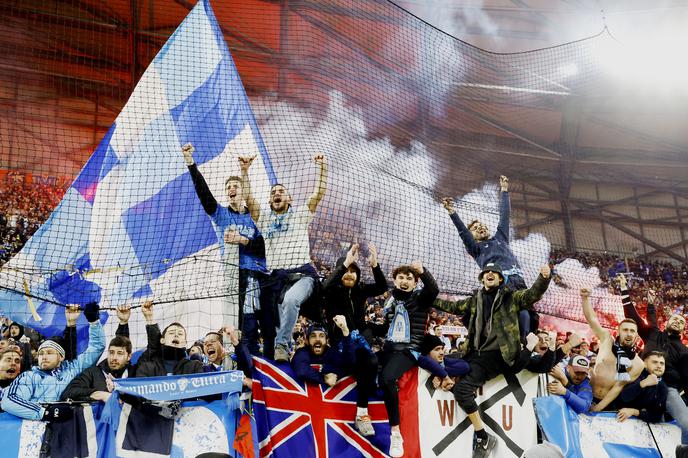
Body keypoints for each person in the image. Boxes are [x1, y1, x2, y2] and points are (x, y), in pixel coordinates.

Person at [436, 263, 551, 458]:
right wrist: (427, 297)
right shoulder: (475, 300)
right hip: (474, 353)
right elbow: (452, 306)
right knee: (441, 363)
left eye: (494, 273)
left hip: (497, 356)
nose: (489, 274)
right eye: (486, 272)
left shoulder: (511, 298)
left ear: (500, 279)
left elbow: (532, 294)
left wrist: (544, 278)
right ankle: (442, 377)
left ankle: (483, 436)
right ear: (482, 279)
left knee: (463, 390)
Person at [182, 144, 267, 354]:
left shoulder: (256, 217)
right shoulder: (221, 216)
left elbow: (265, 248)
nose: (231, 189)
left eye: (235, 186)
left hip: (260, 276)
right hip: (234, 276)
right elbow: (204, 195)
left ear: (243, 191)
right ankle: (241, 363)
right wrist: (190, 163)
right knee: (240, 326)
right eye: (228, 187)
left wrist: (242, 240)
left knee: (265, 324)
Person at [243, 153, 328, 361]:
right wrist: (244, 171)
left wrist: (322, 167)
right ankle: (280, 352)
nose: (276, 194)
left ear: (289, 198)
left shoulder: (300, 216)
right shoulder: (263, 220)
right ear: (270, 200)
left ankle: (282, 347)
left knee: (291, 301)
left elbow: (319, 193)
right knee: (272, 322)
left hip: (302, 276)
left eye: (281, 191)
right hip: (276, 281)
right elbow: (249, 198)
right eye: (273, 192)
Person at [442, 175, 534, 336]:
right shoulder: (476, 248)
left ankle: (523, 342)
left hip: (519, 281)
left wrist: (504, 191)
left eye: (481, 225)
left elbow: (504, 215)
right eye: (476, 228)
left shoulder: (500, 237)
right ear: (474, 236)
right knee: (511, 312)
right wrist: (452, 212)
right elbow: (463, 232)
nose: (480, 227)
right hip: (501, 283)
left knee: (528, 315)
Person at [321, 242, 387, 435]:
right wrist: (345, 262)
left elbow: (382, 286)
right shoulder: (332, 291)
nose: (349, 274)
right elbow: (324, 287)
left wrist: (375, 265)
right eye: (346, 270)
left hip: (360, 342)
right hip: (341, 343)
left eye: (353, 270)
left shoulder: (361, 290)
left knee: (371, 360)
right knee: (367, 363)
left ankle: (362, 414)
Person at [1, 302, 105, 421]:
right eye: (41, 354)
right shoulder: (29, 377)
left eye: (49, 353)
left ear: (61, 357)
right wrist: (45, 413)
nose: (44, 357)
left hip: (70, 430)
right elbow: (9, 400)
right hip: (38, 431)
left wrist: (94, 322)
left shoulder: (73, 369)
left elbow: (97, 348)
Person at [378, 261, 438, 458]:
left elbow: (433, 289)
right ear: (394, 280)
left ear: (415, 283)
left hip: (408, 351)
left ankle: (396, 433)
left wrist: (423, 271)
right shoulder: (389, 301)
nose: (404, 281)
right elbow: (386, 330)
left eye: (409, 278)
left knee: (387, 378)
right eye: (401, 277)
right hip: (389, 349)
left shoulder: (420, 298)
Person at [618, 274, 688, 439]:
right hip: (641, 382)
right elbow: (633, 317)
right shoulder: (653, 333)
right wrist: (624, 290)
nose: (678, 321)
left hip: (669, 390)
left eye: (682, 321)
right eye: (675, 318)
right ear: (667, 322)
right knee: (651, 425)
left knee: (685, 423)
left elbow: (687, 378)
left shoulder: (684, 351)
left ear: (684, 330)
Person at [580, 288, 644, 410]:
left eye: (632, 331)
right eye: (625, 330)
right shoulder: (606, 340)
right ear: (618, 331)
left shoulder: (638, 364)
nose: (629, 334)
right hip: (585, 392)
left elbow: (618, 387)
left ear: (636, 335)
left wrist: (599, 407)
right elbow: (592, 320)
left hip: (607, 404)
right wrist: (585, 299)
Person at [60, 305, 135, 403]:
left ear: (129, 356)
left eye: (120, 354)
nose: (114, 357)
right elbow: (68, 393)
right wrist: (101, 395)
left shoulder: (135, 373)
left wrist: (121, 391)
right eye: (111, 353)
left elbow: (142, 399)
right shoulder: (93, 372)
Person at [135, 300, 204, 377]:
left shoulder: (195, 367)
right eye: (171, 333)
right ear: (162, 340)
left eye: (180, 334)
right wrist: (149, 318)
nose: (176, 335)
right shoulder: (147, 367)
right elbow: (153, 346)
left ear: (185, 343)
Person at [291, 317, 354, 389]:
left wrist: (345, 331)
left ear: (327, 341)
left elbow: (349, 364)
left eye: (321, 336)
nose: (317, 339)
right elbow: (301, 370)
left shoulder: (331, 352)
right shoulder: (302, 352)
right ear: (307, 341)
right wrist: (323, 378)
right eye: (313, 336)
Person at [615, 351, 667, 423]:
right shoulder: (635, 374)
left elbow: (656, 416)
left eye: (662, 363)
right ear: (644, 364)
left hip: (640, 423)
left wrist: (634, 412)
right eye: (655, 362)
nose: (659, 366)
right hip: (616, 417)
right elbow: (623, 397)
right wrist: (642, 384)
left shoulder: (662, 387)